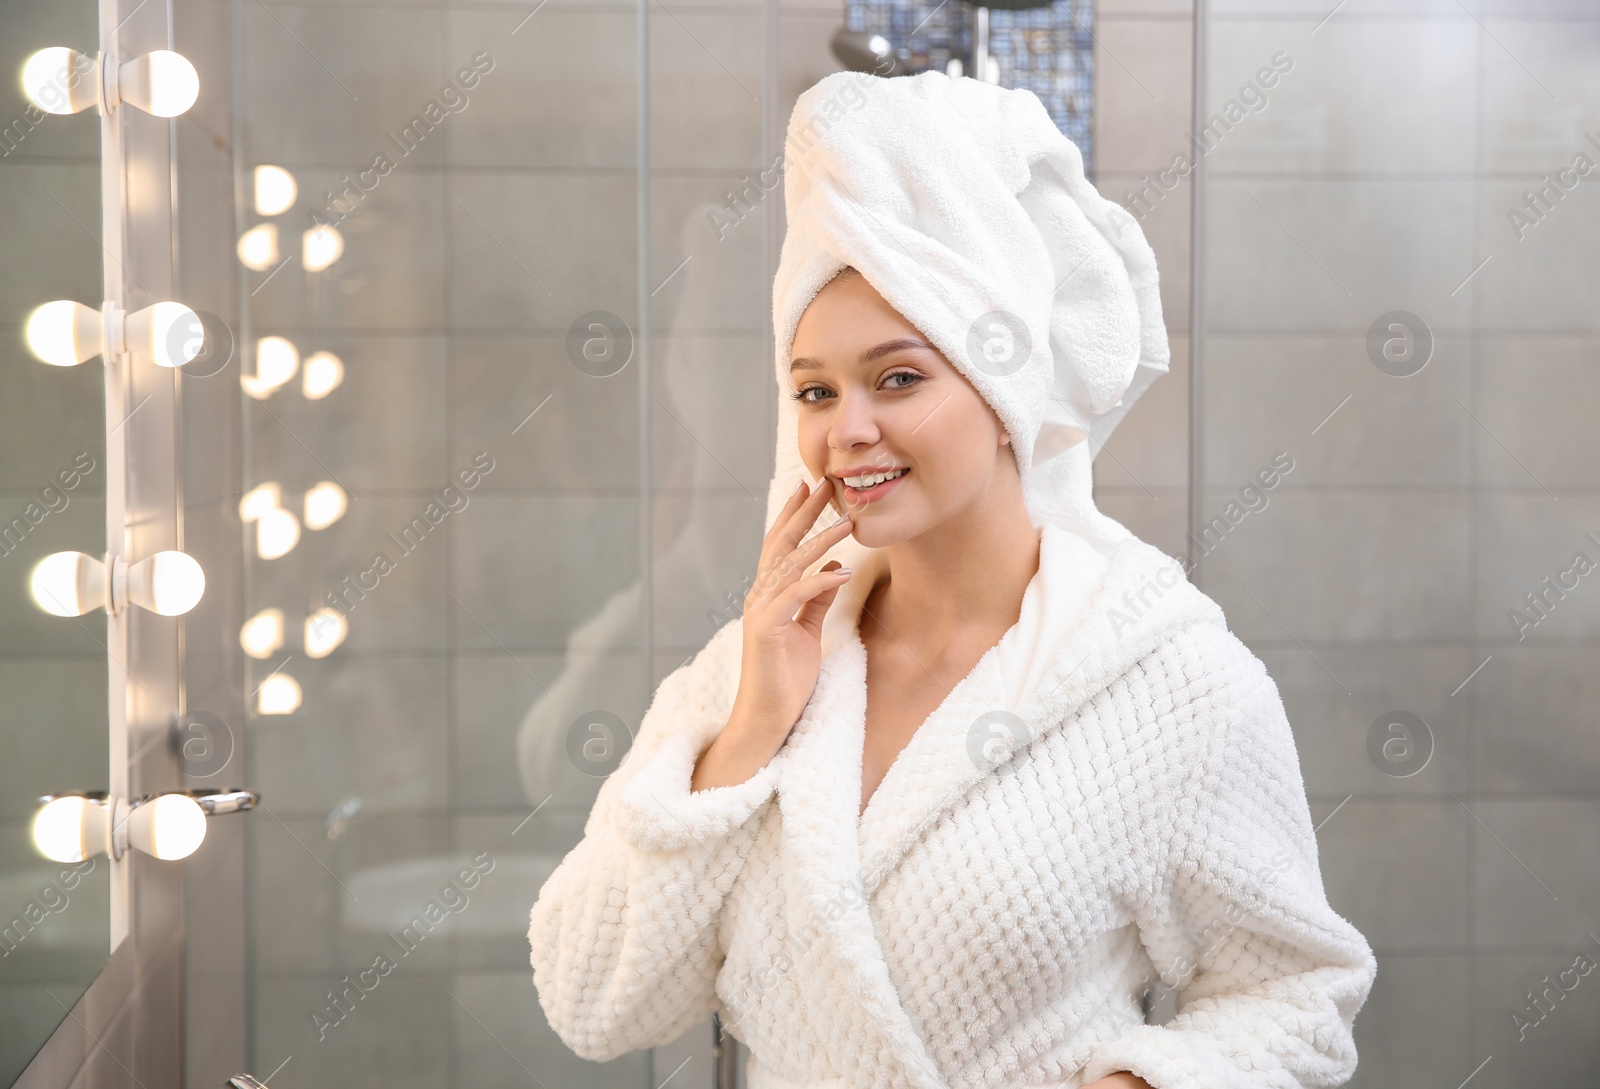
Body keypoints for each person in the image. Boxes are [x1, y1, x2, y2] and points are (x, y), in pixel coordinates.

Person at [530, 69, 1376, 1089]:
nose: (847, 431)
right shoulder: (756, 667)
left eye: (898, 378)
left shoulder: (1171, 685)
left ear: (1004, 383)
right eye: (813, 389)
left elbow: (1297, 1001)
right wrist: (749, 731)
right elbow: (591, 1004)